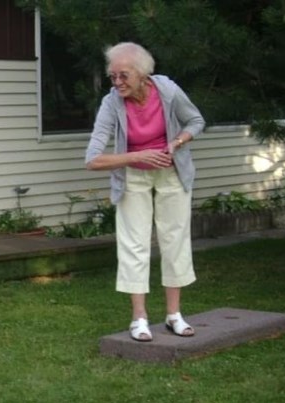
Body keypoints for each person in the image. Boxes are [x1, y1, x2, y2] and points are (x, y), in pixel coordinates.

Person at [85, 42, 205, 342]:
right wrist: (136, 157)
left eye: (123, 75)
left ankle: (174, 315)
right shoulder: (112, 102)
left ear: (142, 74)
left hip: (171, 172)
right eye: (113, 76)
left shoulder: (167, 91)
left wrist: (174, 144)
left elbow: (196, 121)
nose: (117, 82)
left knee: (174, 240)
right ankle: (139, 318)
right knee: (134, 244)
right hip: (132, 176)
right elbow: (92, 159)